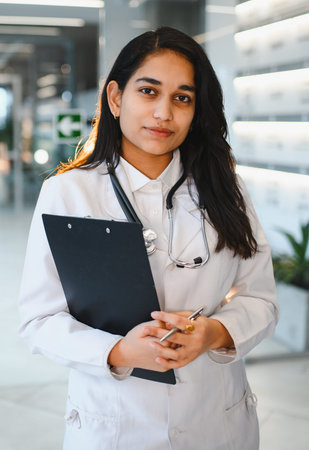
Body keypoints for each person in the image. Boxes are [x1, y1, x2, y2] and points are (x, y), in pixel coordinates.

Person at [19, 27, 279, 450]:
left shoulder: (224, 187)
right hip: (113, 423)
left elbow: (261, 300)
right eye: (148, 91)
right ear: (117, 98)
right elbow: (39, 319)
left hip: (215, 418)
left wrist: (213, 333)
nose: (164, 113)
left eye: (182, 98)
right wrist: (120, 352)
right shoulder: (68, 192)